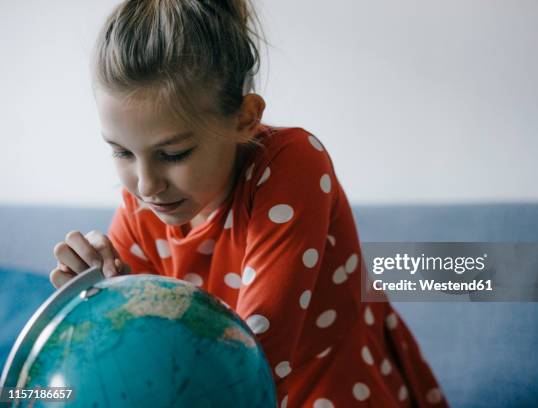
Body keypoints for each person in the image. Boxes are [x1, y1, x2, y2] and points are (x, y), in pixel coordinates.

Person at [49, 0, 447, 406]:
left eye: (174, 154)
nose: (146, 186)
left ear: (245, 117)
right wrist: (98, 297)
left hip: (322, 388)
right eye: (122, 153)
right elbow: (142, 352)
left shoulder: (294, 163)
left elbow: (250, 359)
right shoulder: (140, 208)